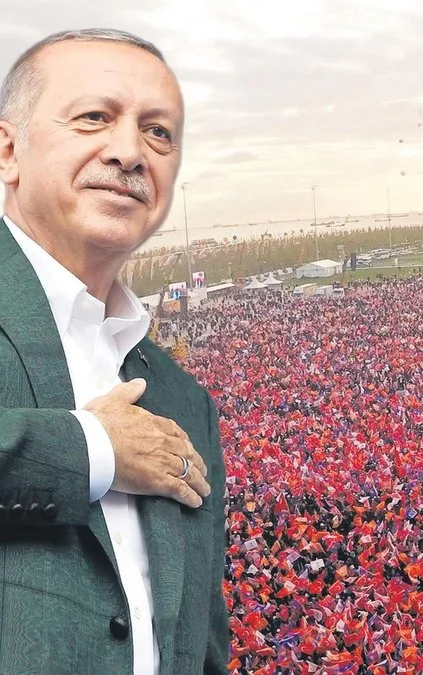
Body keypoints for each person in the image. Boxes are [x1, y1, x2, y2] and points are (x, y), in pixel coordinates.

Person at [0, 29, 228, 673]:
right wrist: (94, 451)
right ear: (8, 150)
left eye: (158, 133)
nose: (129, 152)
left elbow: (200, 641)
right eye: (94, 117)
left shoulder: (183, 399)